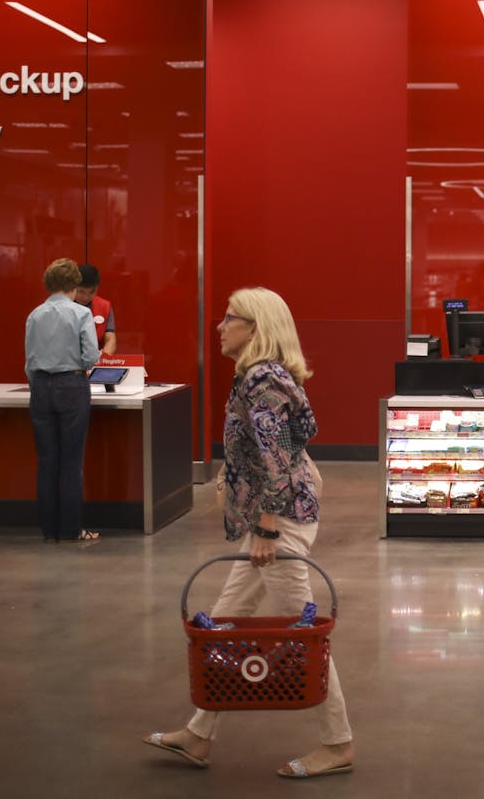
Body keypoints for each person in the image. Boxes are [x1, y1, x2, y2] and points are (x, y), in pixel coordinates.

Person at [144, 287, 354, 780]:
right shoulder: (261, 377)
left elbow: (278, 460)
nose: (219, 327)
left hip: (278, 523)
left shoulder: (263, 380)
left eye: (228, 318)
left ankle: (338, 742)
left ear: (255, 328)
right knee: (224, 622)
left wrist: (266, 527)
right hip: (276, 517)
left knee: (303, 635)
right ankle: (199, 734)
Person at [25, 258, 101, 543]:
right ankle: (71, 530)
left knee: (46, 461)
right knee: (71, 462)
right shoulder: (81, 314)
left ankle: (49, 530)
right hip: (72, 384)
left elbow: (29, 361)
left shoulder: (34, 315)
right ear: (74, 284)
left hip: (41, 387)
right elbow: (91, 356)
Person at [75, 264, 117, 355]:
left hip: (95, 362)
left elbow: (110, 340)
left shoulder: (104, 306)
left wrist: (102, 361)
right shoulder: (63, 306)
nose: (86, 297)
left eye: (92, 292)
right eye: (81, 291)